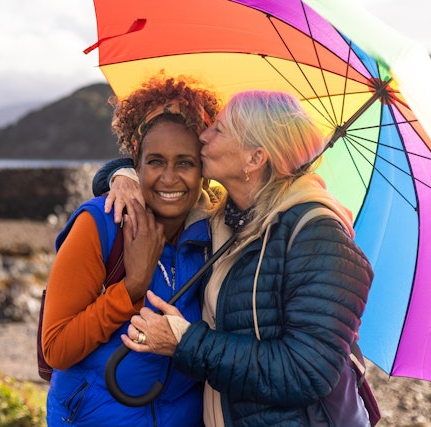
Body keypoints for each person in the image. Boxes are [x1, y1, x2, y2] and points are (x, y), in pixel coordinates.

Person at [98, 90, 374, 426]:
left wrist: (184, 342)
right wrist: (121, 176)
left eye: (220, 130)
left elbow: (306, 371)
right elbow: (159, 177)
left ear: (255, 159)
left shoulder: (320, 237)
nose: (204, 135)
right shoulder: (225, 217)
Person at [41, 75, 221, 427]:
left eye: (185, 162)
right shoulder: (102, 223)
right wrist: (131, 289)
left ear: (205, 167)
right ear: (135, 161)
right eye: (156, 162)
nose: (169, 178)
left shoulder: (214, 236)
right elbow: (57, 348)